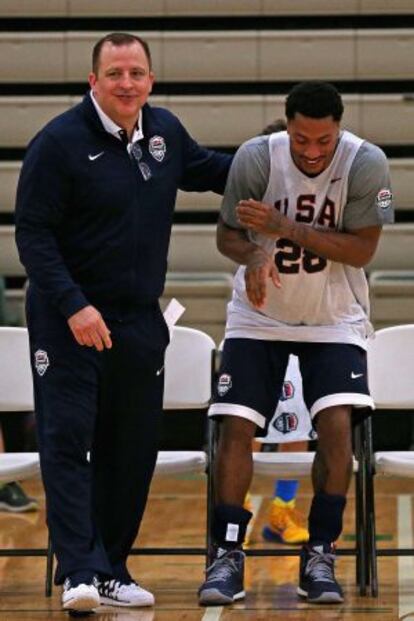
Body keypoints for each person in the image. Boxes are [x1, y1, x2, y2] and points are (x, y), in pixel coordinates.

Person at [15, 32, 231, 613]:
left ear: (151, 80)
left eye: (137, 72)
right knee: (67, 441)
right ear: (94, 81)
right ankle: (79, 571)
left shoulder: (165, 133)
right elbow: (31, 235)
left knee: (131, 449)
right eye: (115, 73)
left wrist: (290, 158)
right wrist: (73, 305)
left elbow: (217, 171)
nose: (127, 83)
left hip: (138, 323)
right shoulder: (57, 143)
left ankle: (112, 568)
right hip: (69, 321)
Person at [198, 80, 394, 606]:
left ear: (339, 129)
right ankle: (227, 553)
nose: (311, 151)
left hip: (334, 317)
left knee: (335, 428)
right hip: (258, 318)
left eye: (322, 141)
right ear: (288, 126)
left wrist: (285, 228)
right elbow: (226, 235)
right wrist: (255, 256)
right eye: (302, 139)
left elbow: (361, 250)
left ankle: (320, 552)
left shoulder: (367, 163)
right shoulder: (255, 158)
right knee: (235, 424)